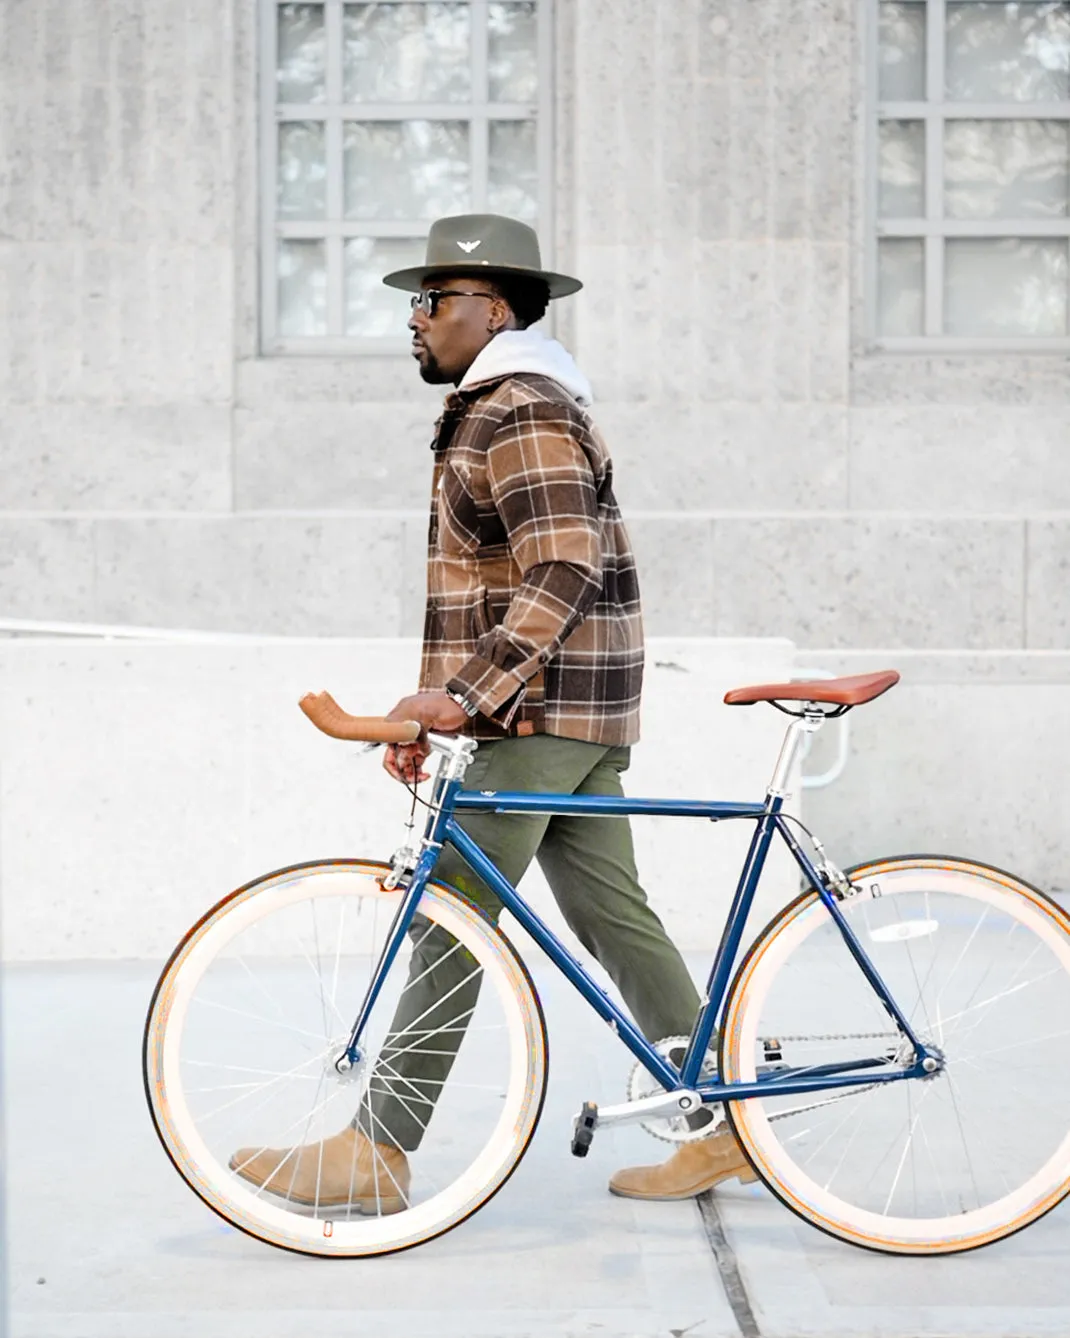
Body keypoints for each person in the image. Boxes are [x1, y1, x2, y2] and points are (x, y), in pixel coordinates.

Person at [232, 214, 756, 1211]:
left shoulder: (516, 408)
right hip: (559, 707)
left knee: (452, 914)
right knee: (613, 918)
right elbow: (511, 577)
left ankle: (376, 1151)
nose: (416, 320)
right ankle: (717, 1118)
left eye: (434, 300)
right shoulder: (508, 403)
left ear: (497, 308)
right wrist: (447, 712)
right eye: (414, 303)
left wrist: (467, 697)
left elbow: (562, 564)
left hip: (538, 710)